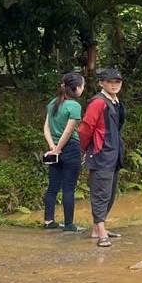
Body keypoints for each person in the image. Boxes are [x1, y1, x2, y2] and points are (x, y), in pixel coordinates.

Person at [77, 67, 126, 248]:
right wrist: (86, 149)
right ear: (101, 83)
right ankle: (101, 232)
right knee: (101, 194)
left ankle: (97, 229)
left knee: (110, 193)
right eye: (110, 82)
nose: (114, 85)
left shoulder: (115, 102)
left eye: (117, 82)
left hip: (114, 154)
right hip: (101, 154)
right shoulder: (98, 102)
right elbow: (85, 128)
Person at [41, 72, 85, 231]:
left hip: (54, 148)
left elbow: (46, 127)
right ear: (77, 88)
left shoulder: (53, 103)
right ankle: (69, 224)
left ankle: (48, 221)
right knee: (68, 188)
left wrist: (52, 147)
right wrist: (58, 149)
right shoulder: (75, 106)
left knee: (53, 187)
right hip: (70, 148)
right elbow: (68, 131)